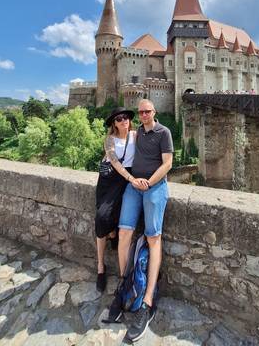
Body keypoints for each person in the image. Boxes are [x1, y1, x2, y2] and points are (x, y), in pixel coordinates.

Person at [108, 99, 173, 342]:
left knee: (153, 237)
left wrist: (150, 182)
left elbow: (168, 163)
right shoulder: (136, 135)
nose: (144, 114)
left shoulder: (163, 132)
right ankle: (125, 285)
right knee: (124, 232)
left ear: (154, 112)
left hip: (155, 187)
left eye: (148, 111)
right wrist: (133, 179)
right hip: (134, 186)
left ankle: (147, 301)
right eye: (141, 112)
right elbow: (117, 140)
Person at [95, 107, 136, 292]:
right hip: (110, 181)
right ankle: (100, 268)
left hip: (125, 181)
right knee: (102, 218)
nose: (123, 121)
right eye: (119, 119)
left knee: (120, 218)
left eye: (125, 117)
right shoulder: (109, 140)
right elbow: (115, 162)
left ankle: (113, 235)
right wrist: (131, 178)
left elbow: (154, 133)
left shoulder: (136, 135)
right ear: (114, 123)